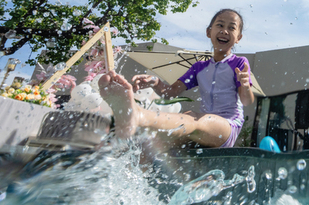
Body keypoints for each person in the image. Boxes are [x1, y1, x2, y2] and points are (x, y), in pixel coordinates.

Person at [99, 9, 254, 148]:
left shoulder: (239, 64)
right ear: (209, 32)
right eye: (220, 25)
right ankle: (120, 149)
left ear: (238, 37)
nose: (225, 31)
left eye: (231, 27)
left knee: (194, 118)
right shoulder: (199, 68)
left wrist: (245, 85)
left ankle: (139, 115)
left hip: (227, 127)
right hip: (202, 127)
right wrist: (155, 82)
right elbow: (170, 93)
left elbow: (246, 101)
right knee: (157, 142)